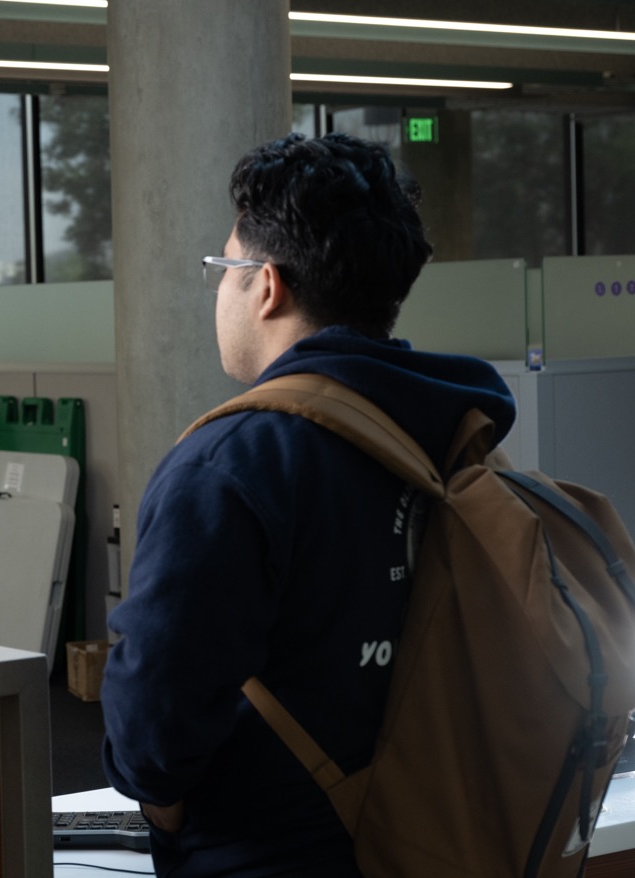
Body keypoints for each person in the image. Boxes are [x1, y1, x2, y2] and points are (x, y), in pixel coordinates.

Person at [100, 132, 518, 876]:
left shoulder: (230, 464)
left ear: (266, 285)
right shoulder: (452, 434)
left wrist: (165, 809)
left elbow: (152, 729)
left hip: (267, 855)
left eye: (221, 270)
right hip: (451, 835)